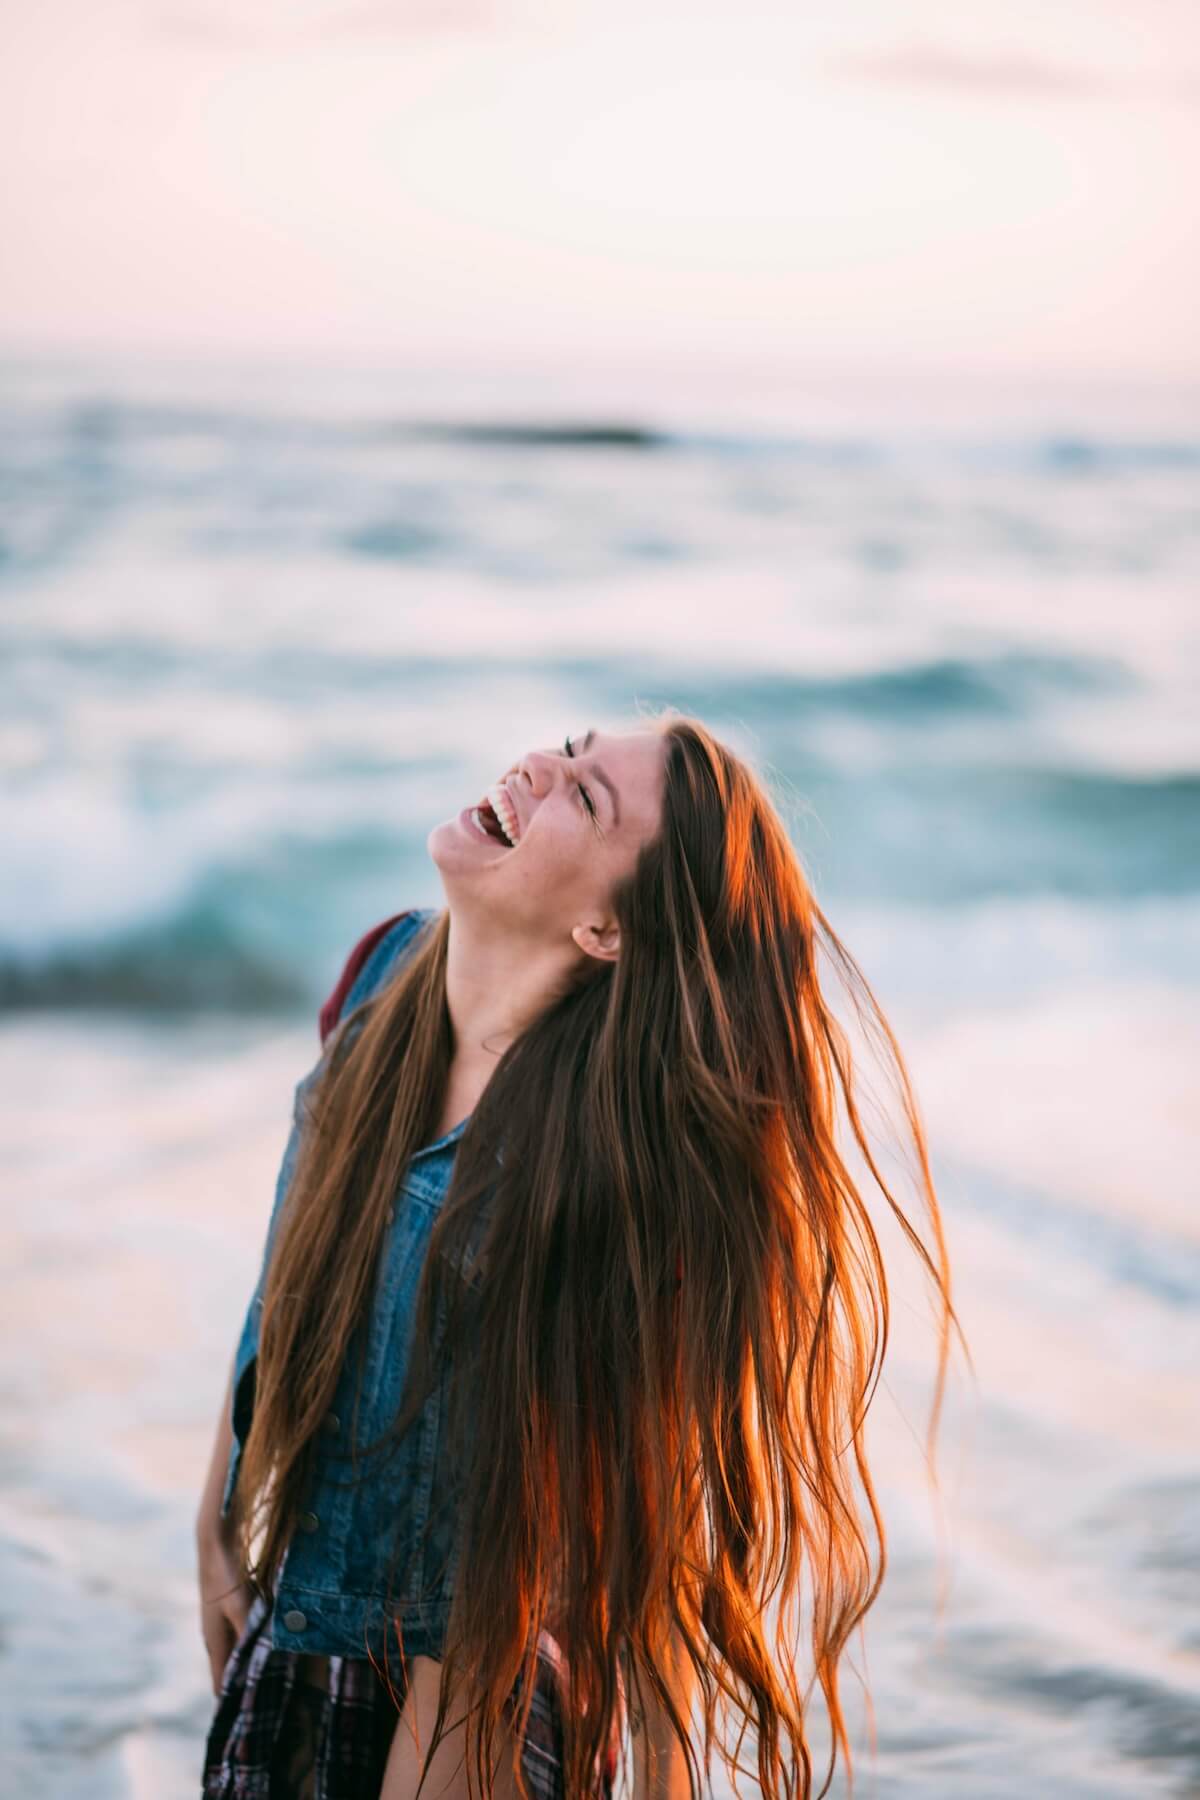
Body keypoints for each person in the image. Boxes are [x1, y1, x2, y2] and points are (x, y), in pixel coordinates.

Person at [194, 712, 965, 1800]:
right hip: (299, 1634)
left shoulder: (606, 1166)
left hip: (474, 1697)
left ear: (609, 933)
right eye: (571, 746)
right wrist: (218, 1507)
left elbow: (644, 1513)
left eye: (588, 798)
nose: (541, 768)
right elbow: (295, 1243)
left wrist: (645, 1773)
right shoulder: (381, 977)